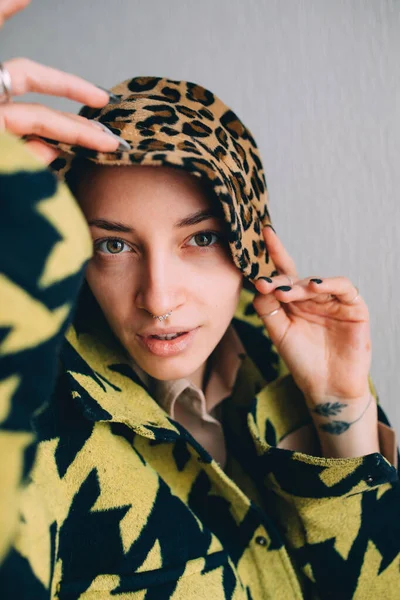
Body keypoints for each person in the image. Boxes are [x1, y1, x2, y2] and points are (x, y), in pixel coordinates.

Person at [1, 2, 399, 599]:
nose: (158, 298)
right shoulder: (32, 405)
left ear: (249, 239)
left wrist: (337, 412)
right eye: (113, 244)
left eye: (201, 238)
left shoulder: (289, 362)